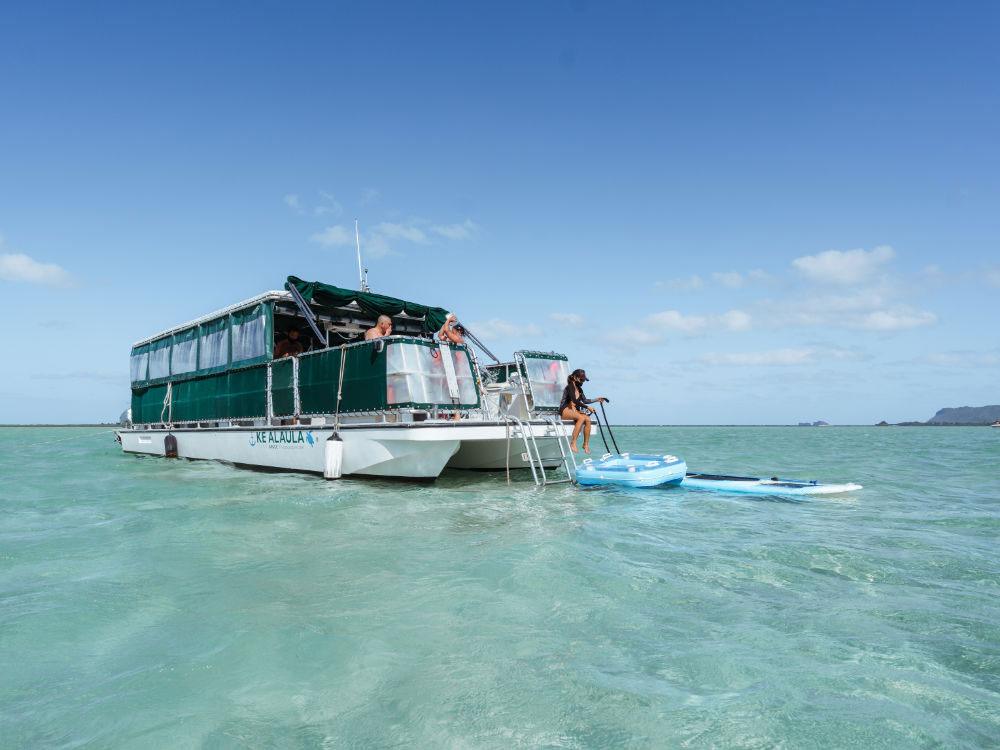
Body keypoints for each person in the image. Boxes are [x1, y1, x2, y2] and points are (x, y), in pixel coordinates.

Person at [559, 368, 608, 454]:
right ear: (575, 377)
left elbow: (585, 401)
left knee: (588, 419)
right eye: (581, 379)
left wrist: (598, 399)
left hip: (574, 411)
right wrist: (587, 407)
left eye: (583, 380)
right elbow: (574, 400)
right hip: (565, 410)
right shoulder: (570, 387)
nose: (582, 382)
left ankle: (585, 444)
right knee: (581, 418)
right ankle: (573, 443)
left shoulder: (580, 389)